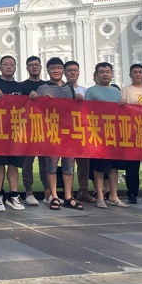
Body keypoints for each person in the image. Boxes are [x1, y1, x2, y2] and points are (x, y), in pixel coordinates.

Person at [30, 57, 83, 211]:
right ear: (47, 70)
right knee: (51, 165)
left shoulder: (69, 87)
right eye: (52, 68)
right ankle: (54, 196)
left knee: (68, 166)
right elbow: (35, 109)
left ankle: (68, 196)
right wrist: (36, 98)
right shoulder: (42, 88)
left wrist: (78, 100)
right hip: (51, 131)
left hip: (68, 132)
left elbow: (74, 109)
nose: (56, 71)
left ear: (63, 70)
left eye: (59, 68)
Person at [0, 56, 26, 212]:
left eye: (12, 65)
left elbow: (30, 107)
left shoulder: (20, 87)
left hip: (16, 132)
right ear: (0, 67)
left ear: (15, 68)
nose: (9, 67)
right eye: (6, 64)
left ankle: (14, 195)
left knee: (14, 165)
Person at [85, 62, 128, 209]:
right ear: (96, 75)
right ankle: (100, 196)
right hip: (98, 134)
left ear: (111, 74)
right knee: (99, 168)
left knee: (114, 167)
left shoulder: (116, 91)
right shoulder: (91, 91)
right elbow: (86, 111)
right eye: (102, 72)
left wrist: (123, 104)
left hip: (114, 134)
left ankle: (113, 196)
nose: (105, 74)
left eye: (108, 72)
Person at [120, 64, 142, 204]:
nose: (138, 74)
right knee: (132, 166)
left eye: (140, 72)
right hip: (132, 132)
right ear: (130, 75)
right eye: (135, 72)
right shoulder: (126, 90)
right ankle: (132, 193)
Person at [64, 60, 94, 203]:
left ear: (79, 72)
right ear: (65, 72)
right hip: (66, 131)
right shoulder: (61, 90)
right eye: (70, 70)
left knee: (84, 164)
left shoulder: (85, 90)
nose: (72, 73)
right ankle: (68, 193)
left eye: (75, 70)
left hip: (82, 131)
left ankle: (83, 191)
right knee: (68, 164)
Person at [20, 56, 45, 206]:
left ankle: (48, 192)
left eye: (36, 65)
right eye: (31, 65)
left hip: (45, 129)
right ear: (27, 68)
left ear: (41, 67)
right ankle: (28, 192)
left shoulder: (47, 85)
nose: (34, 67)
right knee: (27, 163)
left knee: (46, 163)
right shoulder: (22, 86)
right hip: (28, 129)